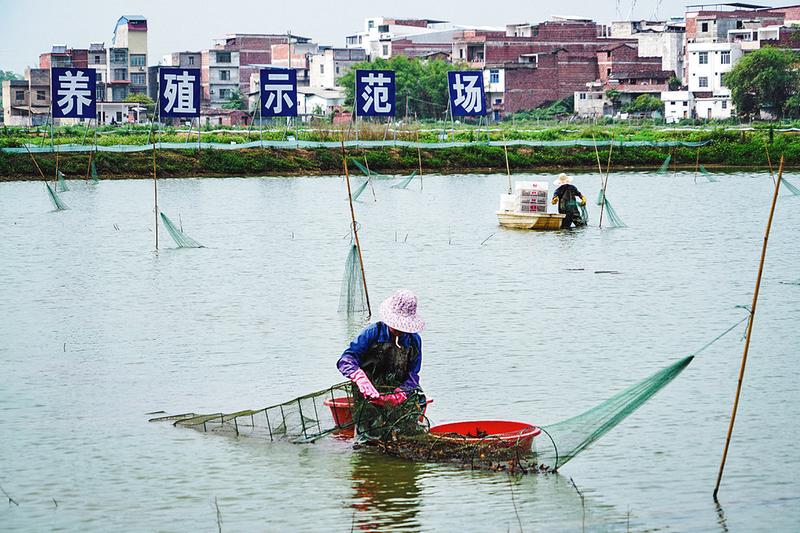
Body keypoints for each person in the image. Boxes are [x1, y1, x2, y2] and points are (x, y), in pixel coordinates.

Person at [337, 289, 425, 438]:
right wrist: (359, 377)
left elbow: (413, 374)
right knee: (368, 435)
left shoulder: (413, 340)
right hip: (369, 391)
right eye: (396, 324)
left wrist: (402, 391)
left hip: (397, 389)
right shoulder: (372, 333)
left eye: (403, 326)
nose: (398, 329)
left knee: (406, 431)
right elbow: (346, 359)